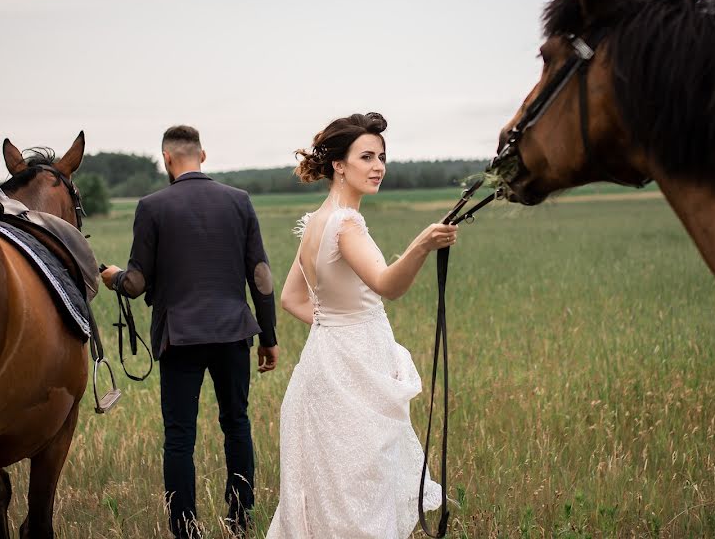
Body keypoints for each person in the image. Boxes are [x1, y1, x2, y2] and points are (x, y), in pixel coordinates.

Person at [267, 112, 457, 538]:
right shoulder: (346, 223)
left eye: (382, 157)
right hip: (353, 368)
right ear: (339, 164)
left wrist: (337, 324)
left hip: (324, 362)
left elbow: (292, 298)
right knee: (359, 494)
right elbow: (388, 285)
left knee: (334, 490)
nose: (378, 167)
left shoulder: (317, 220)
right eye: (366, 156)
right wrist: (423, 244)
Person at [100, 125, 278, 539]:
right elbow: (262, 276)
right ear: (203, 155)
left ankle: (185, 529)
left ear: (166, 159)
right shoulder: (239, 201)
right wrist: (267, 336)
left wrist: (112, 277)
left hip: (179, 338)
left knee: (179, 436)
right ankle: (240, 522)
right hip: (234, 334)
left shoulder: (151, 206)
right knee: (237, 424)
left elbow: (136, 283)